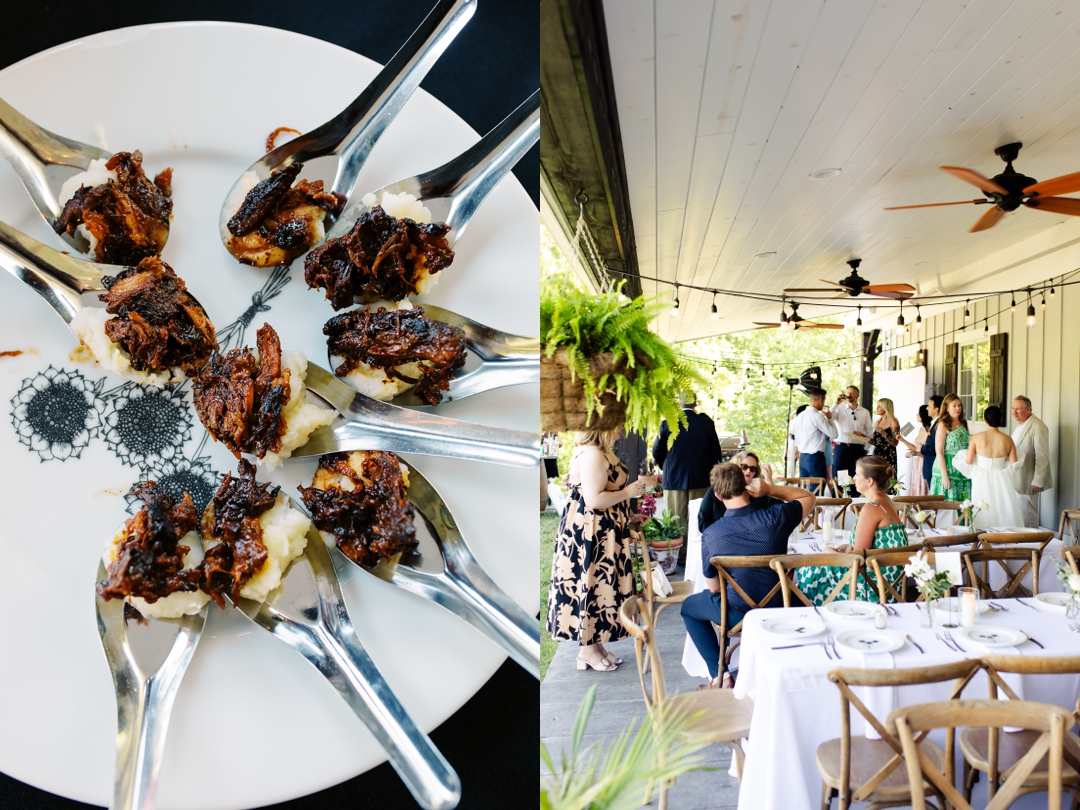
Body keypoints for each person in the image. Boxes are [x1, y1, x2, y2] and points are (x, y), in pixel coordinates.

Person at [681, 463, 814, 688]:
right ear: (748, 486)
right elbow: (809, 498)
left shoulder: (711, 534)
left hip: (738, 614)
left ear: (717, 495)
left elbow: (714, 588)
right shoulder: (775, 518)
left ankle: (720, 676)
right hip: (781, 607)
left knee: (689, 608)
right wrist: (771, 489)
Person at [546, 428, 645, 672]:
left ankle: (595, 644)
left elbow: (607, 492)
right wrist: (628, 493)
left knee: (602, 586)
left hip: (604, 532)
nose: (622, 426)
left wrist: (629, 516)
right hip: (591, 535)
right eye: (617, 420)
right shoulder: (591, 454)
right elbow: (594, 500)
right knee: (593, 584)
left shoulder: (601, 452)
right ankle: (586, 650)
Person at [796, 456, 907, 604]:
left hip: (872, 588)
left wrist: (827, 552)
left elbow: (856, 560)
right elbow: (870, 548)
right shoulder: (886, 501)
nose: (853, 478)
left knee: (808, 570)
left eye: (857, 474)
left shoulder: (871, 508)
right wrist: (850, 546)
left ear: (870, 481)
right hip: (890, 584)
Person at [652, 392, 721, 562]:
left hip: (674, 479)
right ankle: (697, 557)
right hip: (701, 478)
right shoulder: (706, 423)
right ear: (695, 403)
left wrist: (667, 468)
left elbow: (657, 451)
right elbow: (716, 453)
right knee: (699, 516)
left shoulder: (668, 422)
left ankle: (680, 557)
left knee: (676, 518)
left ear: (679, 403)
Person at [952, 405, 1024, 528]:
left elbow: (969, 462)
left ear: (985, 420)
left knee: (983, 508)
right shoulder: (1008, 439)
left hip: (981, 478)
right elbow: (1014, 464)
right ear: (1001, 420)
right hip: (1002, 479)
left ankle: (983, 538)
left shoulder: (976, 438)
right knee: (1003, 507)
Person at [697, 450, 775, 533]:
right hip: (721, 539)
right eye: (744, 467)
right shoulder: (716, 489)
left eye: (752, 469)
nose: (748, 471)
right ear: (734, 467)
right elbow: (703, 523)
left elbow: (776, 516)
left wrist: (770, 485)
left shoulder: (760, 492)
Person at [1011, 395, 1053, 528]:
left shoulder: (1038, 426)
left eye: (1018, 409)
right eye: (1013, 408)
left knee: (1028, 514)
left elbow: (1042, 456)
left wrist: (1037, 480)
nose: (1014, 412)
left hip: (1028, 479)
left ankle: (1032, 545)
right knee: (1019, 514)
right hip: (1017, 477)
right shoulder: (1020, 426)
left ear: (1028, 409)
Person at [831, 385, 874, 495]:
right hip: (842, 447)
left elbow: (869, 432)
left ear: (858, 396)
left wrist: (865, 449)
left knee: (858, 476)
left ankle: (855, 504)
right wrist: (836, 402)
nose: (849, 394)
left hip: (858, 449)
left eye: (852, 393)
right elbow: (828, 417)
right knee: (841, 477)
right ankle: (839, 502)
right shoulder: (839, 409)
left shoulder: (864, 412)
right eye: (848, 392)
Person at [929, 393, 971, 501]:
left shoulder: (963, 422)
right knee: (948, 501)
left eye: (960, 405)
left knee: (963, 501)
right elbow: (939, 451)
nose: (958, 408)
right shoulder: (943, 423)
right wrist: (944, 475)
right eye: (955, 405)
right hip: (947, 466)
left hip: (962, 466)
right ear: (947, 408)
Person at [791, 388, 838, 482]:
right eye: (824, 400)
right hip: (815, 457)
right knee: (817, 490)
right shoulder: (817, 416)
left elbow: (795, 435)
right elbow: (834, 434)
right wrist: (829, 419)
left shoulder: (800, 415)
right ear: (820, 400)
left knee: (804, 490)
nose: (824, 403)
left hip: (803, 457)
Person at [897, 405, 931, 497]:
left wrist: (917, 453)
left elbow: (930, 452)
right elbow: (915, 447)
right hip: (916, 463)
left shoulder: (931, 430)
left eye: (919, 413)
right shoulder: (921, 429)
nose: (917, 414)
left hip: (924, 462)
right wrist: (902, 439)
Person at [872, 398, 900, 478]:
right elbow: (876, 441)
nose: (877, 408)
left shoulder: (893, 422)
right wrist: (863, 437)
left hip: (888, 455)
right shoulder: (878, 421)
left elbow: (895, 443)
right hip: (877, 454)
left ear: (886, 408)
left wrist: (884, 433)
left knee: (887, 480)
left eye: (879, 406)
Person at [920, 395, 944, 488]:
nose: (927, 408)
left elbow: (934, 448)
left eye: (929, 406)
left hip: (934, 466)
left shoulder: (939, 424)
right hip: (930, 466)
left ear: (936, 409)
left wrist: (921, 448)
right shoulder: (934, 423)